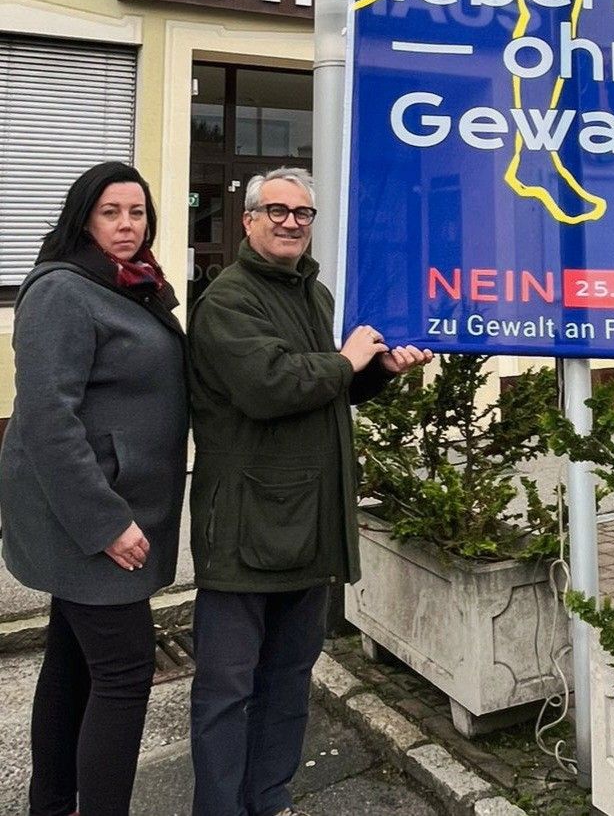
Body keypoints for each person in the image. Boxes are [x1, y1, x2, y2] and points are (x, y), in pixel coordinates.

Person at [187, 167, 431, 816]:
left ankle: (267, 801)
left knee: (288, 684)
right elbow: (267, 384)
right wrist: (346, 360)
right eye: (277, 209)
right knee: (227, 693)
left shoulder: (313, 295)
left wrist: (377, 368)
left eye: (302, 211)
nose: (291, 220)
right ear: (248, 219)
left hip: (306, 528)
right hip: (243, 532)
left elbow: (331, 389)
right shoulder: (228, 298)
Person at [0, 161, 188, 816]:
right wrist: (104, 521)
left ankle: (51, 804)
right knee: (125, 669)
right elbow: (48, 417)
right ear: (85, 217)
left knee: (73, 660)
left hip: (106, 503)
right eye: (111, 211)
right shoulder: (63, 290)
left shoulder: (132, 286)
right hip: (86, 514)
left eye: (137, 212)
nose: (127, 224)